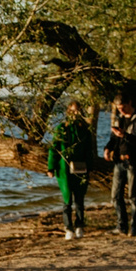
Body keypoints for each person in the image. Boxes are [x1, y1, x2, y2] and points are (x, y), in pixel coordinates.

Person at [49, 100, 95, 239]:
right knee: (67, 198)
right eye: (73, 110)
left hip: (81, 167)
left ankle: (80, 226)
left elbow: (89, 150)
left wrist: (90, 167)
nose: (76, 113)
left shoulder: (85, 129)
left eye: (78, 111)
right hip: (64, 168)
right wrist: (51, 167)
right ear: (68, 112)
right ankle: (68, 228)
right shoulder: (62, 128)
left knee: (80, 198)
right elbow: (54, 148)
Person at [103, 97, 136, 236]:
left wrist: (125, 135)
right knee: (116, 195)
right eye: (118, 108)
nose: (121, 110)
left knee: (133, 195)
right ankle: (121, 226)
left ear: (130, 103)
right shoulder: (119, 119)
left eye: (123, 107)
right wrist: (107, 148)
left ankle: (135, 227)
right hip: (119, 161)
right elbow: (113, 138)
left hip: (133, 161)